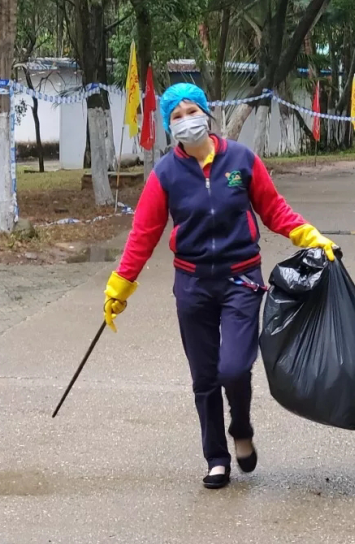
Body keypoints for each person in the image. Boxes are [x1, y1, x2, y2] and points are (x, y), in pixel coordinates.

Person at [103, 83, 336, 489]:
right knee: (204, 377)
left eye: (190, 111)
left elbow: (274, 209)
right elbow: (143, 234)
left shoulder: (242, 160)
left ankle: (241, 428)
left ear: (206, 114)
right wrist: (119, 287)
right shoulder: (165, 174)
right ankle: (216, 457)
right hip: (192, 284)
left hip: (241, 280)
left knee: (233, 368)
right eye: (175, 116)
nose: (184, 121)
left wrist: (310, 236)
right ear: (167, 125)